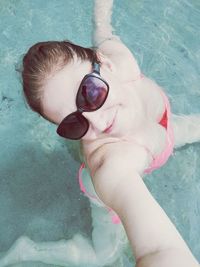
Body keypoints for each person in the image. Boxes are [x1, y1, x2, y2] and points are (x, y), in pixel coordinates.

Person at [0, 0, 199, 266]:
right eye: (73, 122)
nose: (95, 122)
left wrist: (101, 11)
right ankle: (28, 251)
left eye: (90, 93)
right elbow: (158, 250)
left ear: (105, 64)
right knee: (103, 256)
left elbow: (103, 32)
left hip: (163, 126)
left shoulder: (121, 59)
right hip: (123, 165)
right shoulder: (111, 165)